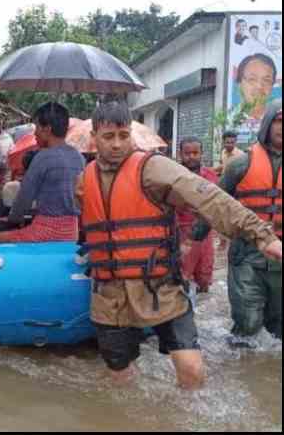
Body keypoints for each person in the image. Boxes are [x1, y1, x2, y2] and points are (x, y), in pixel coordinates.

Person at [75, 100, 282, 390]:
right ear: (94, 137)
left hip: (162, 288)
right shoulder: (83, 182)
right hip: (110, 297)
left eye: (124, 135)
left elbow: (210, 198)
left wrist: (263, 236)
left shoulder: (154, 168)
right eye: (108, 137)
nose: (117, 144)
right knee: (120, 381)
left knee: (191, 369)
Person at [194, 99, 284, 347]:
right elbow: (214, 202)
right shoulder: (241, 164)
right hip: (247, 255)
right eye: (279, 121)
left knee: (278, 329)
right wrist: (195, 238)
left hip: (279, 258)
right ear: (267, 124)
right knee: (248, 323)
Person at [0, 102, 84, 244]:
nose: (35, 133)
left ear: (47, 129)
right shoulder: (79, 157)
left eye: (37, 127)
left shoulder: (43, 157)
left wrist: (13, 219)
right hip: (72, 232)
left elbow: (24, 198)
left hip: (46, 231)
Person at [175, 137, 218, 293]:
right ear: (180, 154)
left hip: (205, 230)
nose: (191, 156)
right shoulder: (173, 175)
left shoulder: (210, 175)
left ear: (202, 154)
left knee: (204, 276)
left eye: (195, 153)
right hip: (182, 232)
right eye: (187, 153)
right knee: (183, 275)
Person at [237, 53, 277, 121]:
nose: (259, 86)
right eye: (252, 79)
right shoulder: (226, 121)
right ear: (240, 84)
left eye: (266, 80)